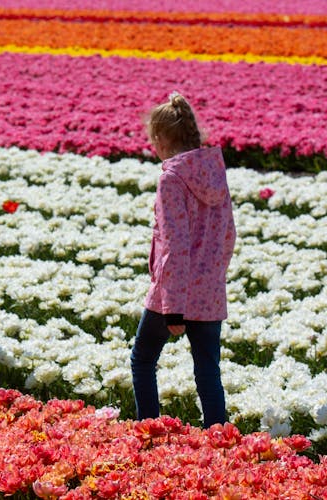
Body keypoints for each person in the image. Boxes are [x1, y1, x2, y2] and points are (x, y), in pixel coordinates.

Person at [130, 92, 236, 427]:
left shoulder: (171, 178)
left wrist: (174, 305)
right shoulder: (214, 172)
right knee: (207, 369)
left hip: (173, 294)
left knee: (143, 360)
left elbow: (174, 244)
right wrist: (213, 277)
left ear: (161, 139)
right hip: (210, 290)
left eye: (152, 139)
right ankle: (218, 439)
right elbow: (229, 234)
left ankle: (150, 433)